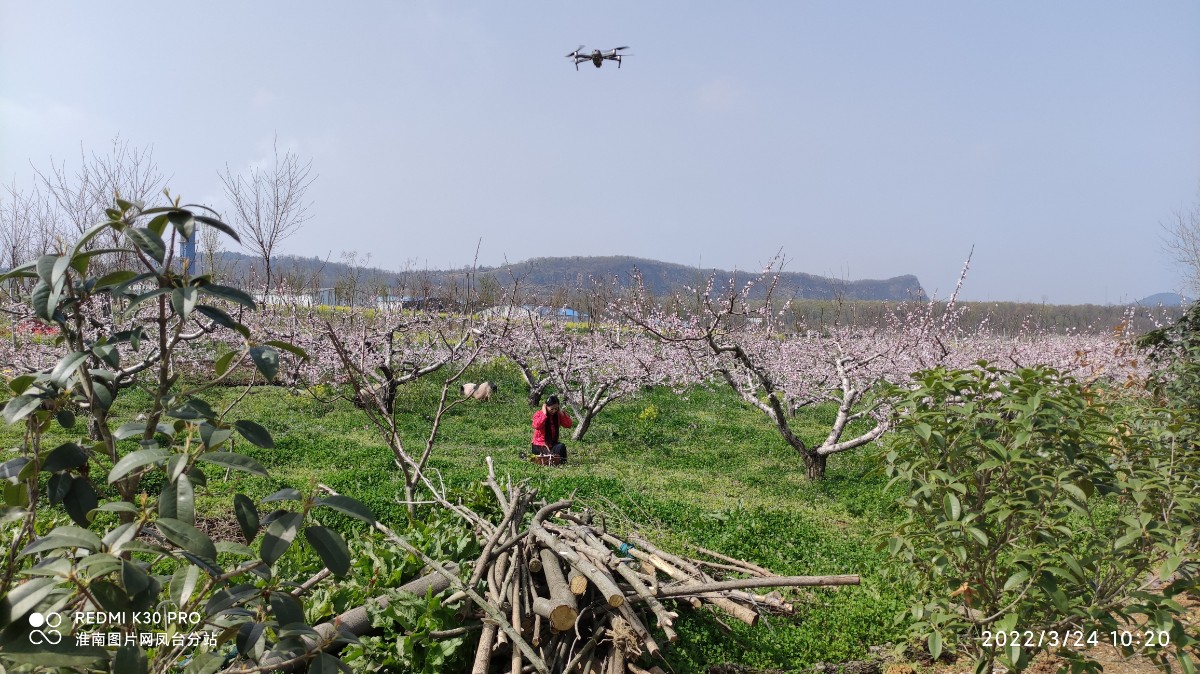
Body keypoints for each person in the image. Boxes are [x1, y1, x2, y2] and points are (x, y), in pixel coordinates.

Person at [531, 395, 572, 463]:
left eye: (556, 409)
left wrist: (561, 413)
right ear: (546, 407)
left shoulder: (557, 415)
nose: (554, 411)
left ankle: (560, 463)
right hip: (539, 445)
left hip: (552, 444)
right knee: (548, 457)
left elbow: (568, 424)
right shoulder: (539, 414)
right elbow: (536, 426)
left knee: (561, 447)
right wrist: (544, 414)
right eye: (552, 409)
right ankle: (550, 459)